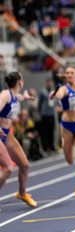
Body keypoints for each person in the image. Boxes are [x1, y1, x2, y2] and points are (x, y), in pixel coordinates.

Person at [50, 66, 75, 197]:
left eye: (72, 73)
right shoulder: (64, 89)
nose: (69, 75)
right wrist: (54, 94)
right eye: (67, 73)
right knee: (70, 160)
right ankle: (68, 149)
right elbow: (59, 94)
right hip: (67, 125)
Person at [0, 71, 37, 207]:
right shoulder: (5, 95)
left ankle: (22, 193)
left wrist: (26, 97)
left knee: (24, 164)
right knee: (8, 168)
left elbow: (19, 97)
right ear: (20, 83)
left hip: (7, 134)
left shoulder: (15, 95)